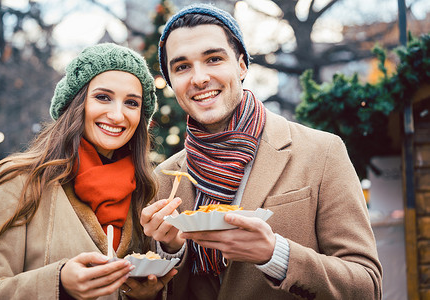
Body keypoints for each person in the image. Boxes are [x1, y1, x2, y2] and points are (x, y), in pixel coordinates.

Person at [140, 3, 382, 299]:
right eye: (182, 67)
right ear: (172, 81)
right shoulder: (164, 180)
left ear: (241, 66)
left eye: (214, 59)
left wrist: (275, 255)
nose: (199, 78)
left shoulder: (322, 152)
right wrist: (171, 252)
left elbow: (367, 286)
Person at [0, 43, 177, 300]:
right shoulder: (18, 183)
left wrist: (144, 295)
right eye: (103, 97)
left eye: (131, 103)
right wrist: (58, 284)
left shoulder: (145, 194)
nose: (117, 115)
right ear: (76, 102)